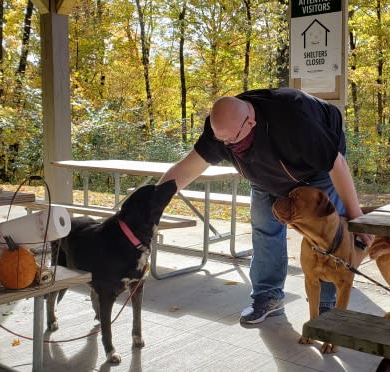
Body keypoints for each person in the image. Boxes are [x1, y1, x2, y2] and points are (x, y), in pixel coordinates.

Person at [158, 87, 373, 325]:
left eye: (231, 139)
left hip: (317, 170)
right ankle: (267, 297)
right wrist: (152, 205)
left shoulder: (294, 121)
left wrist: (357, 218)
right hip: (263, 174)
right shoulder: (221, 128)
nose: (226, 146)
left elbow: (337, 165)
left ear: (251, 121)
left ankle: (326, 305)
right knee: (264, 229)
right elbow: (186, 169)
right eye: (222, 140)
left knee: (329, 236)